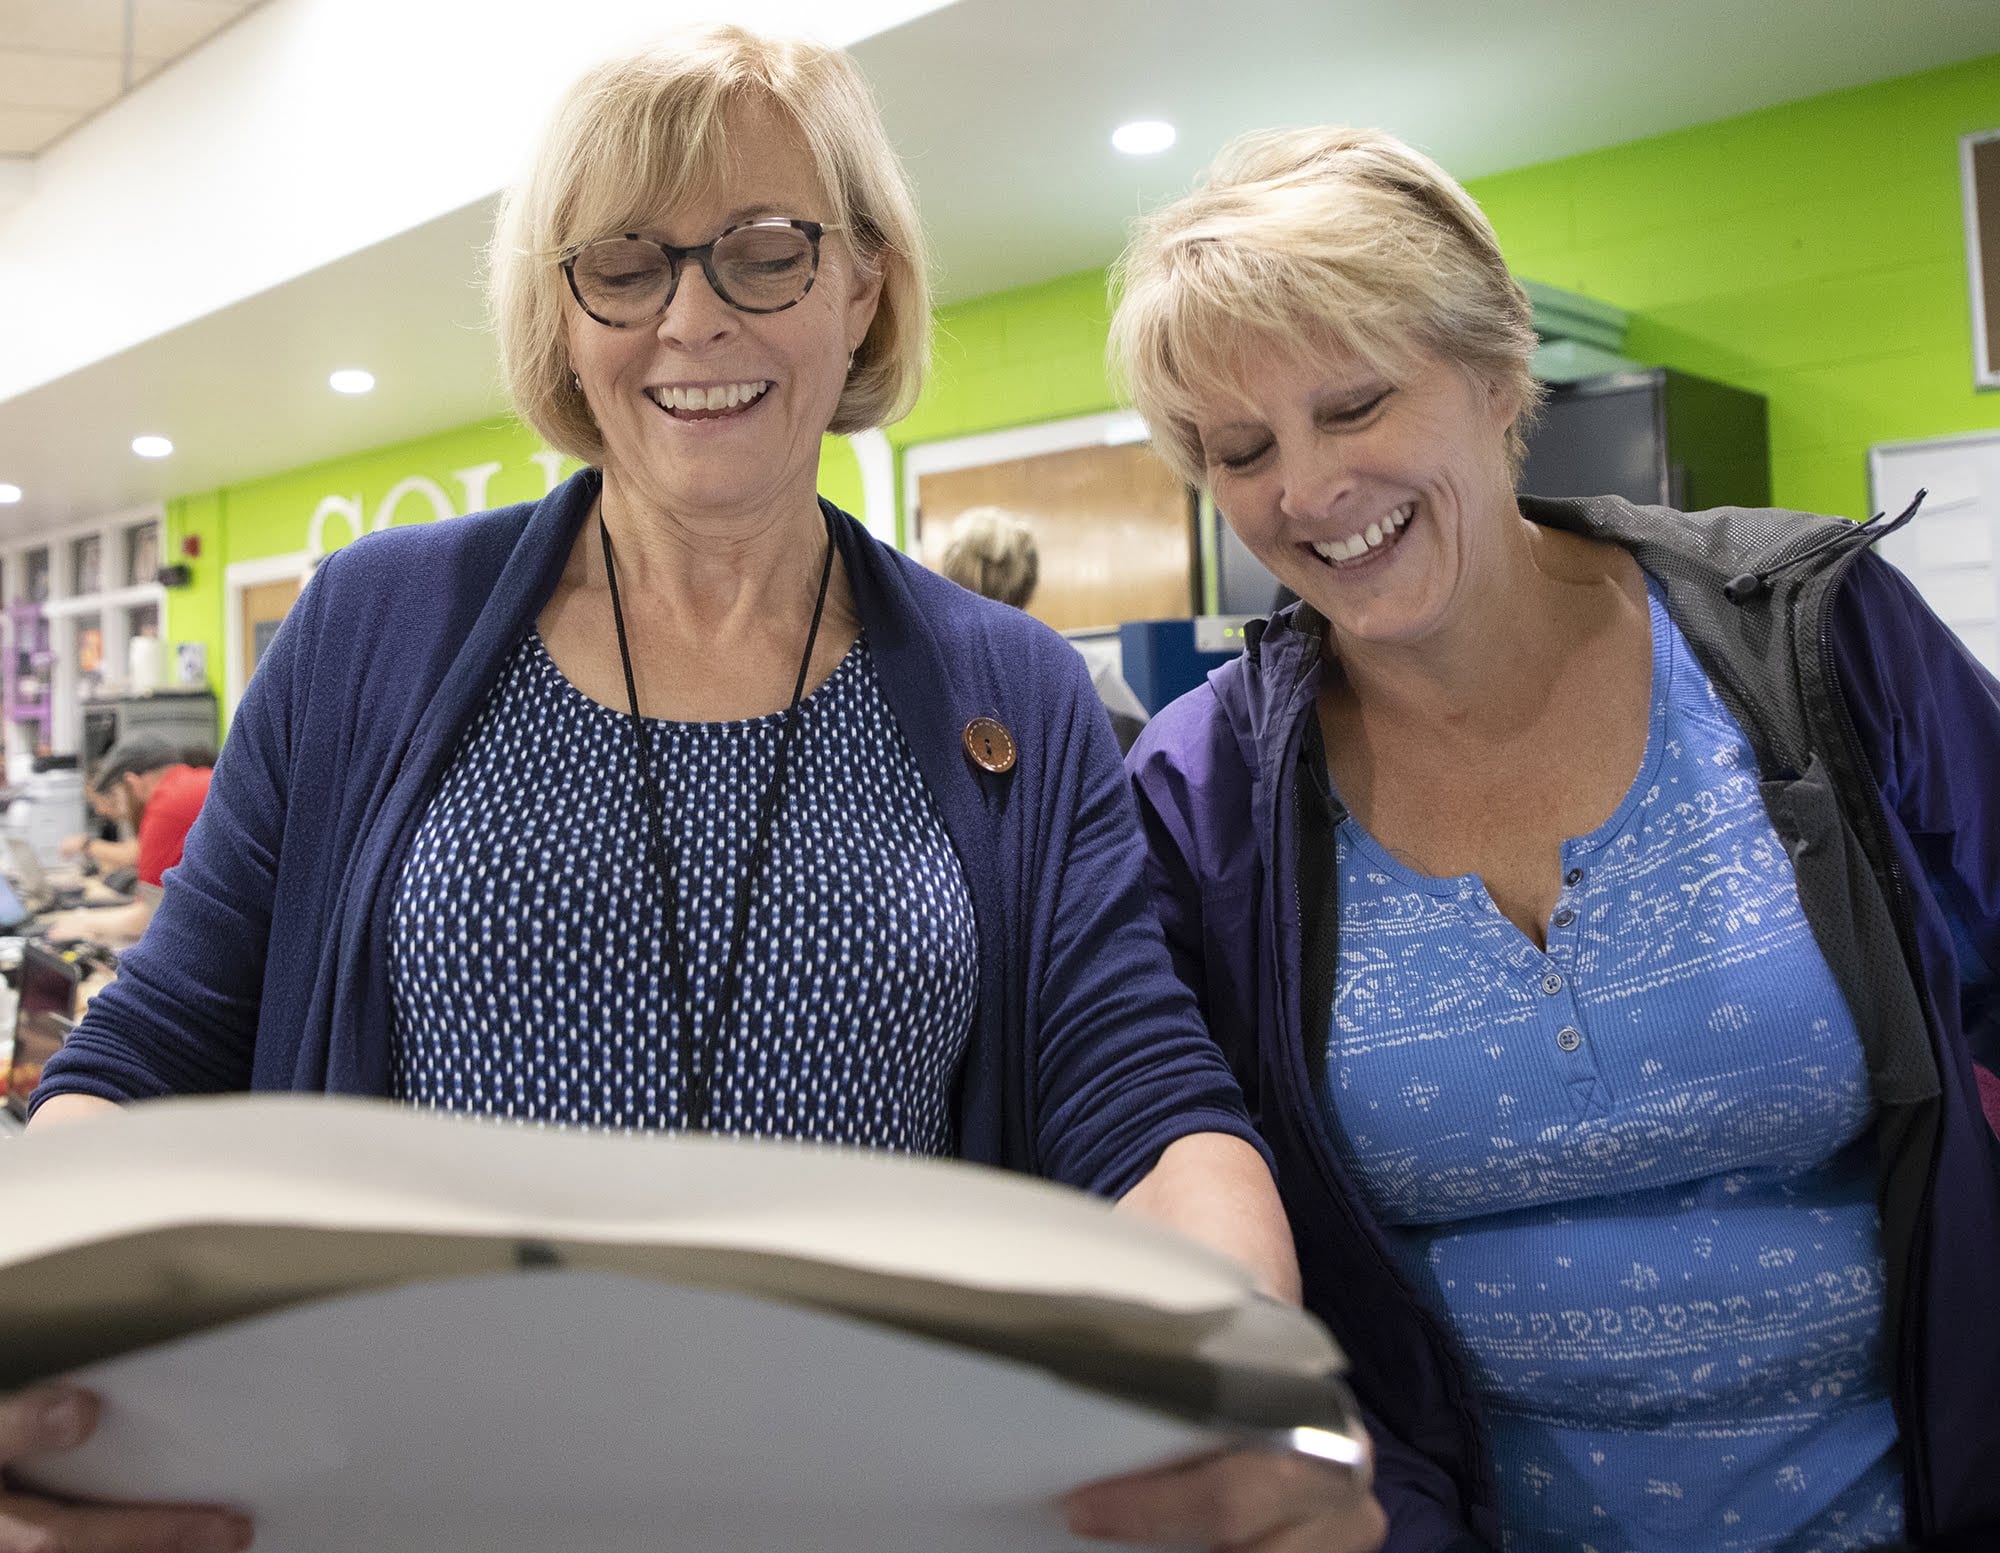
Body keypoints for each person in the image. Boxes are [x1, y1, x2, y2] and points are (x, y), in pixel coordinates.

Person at [24, 30, 1382, 1553]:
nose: (692, 317)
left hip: (876, 1501)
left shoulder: (1016, 693)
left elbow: (1138, 1103)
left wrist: (1240, 1374)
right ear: (564, 305)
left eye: (765, 251)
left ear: (864, 281)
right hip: (404, 1496)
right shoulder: (372, 628)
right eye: (625, 263)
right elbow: (153, 1049)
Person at [1110, 125, 2000, 1551]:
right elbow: (1158, 1151)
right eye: (1242, 448)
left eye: (1355, 404)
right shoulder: (1205, 794)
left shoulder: (1810, 639)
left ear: (1497, 371)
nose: (1310, 487)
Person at [938, 506, 1153, 751]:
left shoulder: (928, 675)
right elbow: (1143, 758)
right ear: (1028, 586)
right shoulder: (1083, 669)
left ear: (947, 576)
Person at [41, 734, 214, 946]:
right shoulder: (194, 782)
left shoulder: (166, 803)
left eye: (117, 793)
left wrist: (82, 921)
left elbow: (150, 916)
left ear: (131, 782)